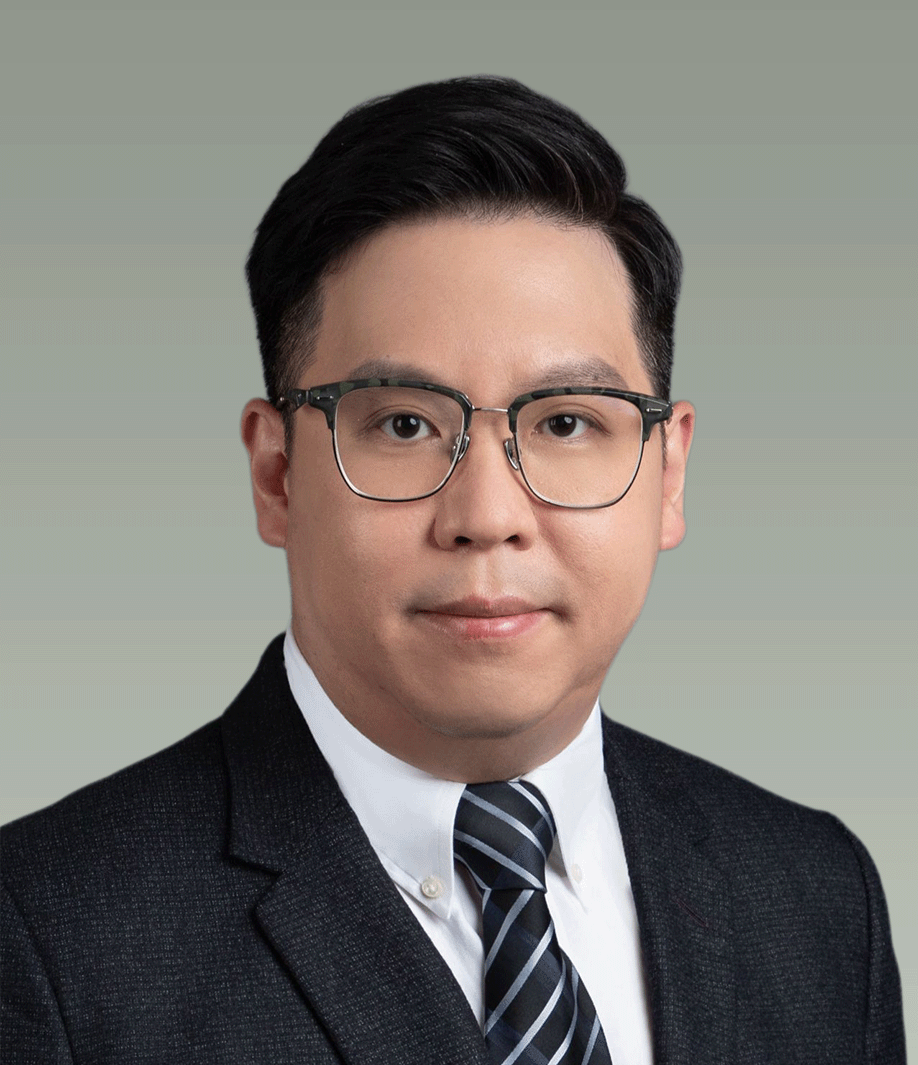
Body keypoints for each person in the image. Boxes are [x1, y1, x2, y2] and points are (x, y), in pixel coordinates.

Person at [1, 75, 905, 1065]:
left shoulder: (815, 897)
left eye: (566, 423)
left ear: (668, 472)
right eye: (402, 425)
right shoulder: (51, 937)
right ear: (277, 475)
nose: (487, 519)